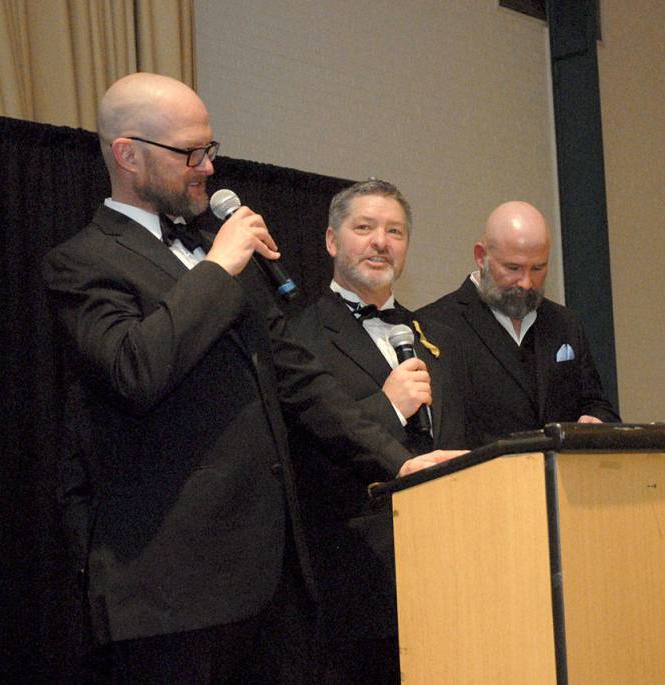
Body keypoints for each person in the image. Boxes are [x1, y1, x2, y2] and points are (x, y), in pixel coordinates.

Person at [43, 72, 456, 684]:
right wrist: (217, 267)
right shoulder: (82, 261)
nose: (208, 167)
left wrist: (397, 462)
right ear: (127, 155)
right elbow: (135, 369)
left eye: (210, 148)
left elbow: (299, 378)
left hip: (273, 582)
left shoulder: (219, 251)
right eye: (190, 152)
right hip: (172, 595)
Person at [287, 179, 465, 682]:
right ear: (330, 241)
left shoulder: (436, 336)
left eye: (395, 231)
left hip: (445, 567)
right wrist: (388, 407)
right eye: (363, 228)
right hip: (355, 583)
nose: (381, 242)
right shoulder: (299, 337)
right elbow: (303, 453)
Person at [417, 200, 619, 447]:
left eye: (538, 268)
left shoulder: (565, 323)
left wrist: (595, 421)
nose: (526, 282)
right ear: (481, 257)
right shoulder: (434, 326)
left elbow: (597, 403)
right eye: (513, 268)